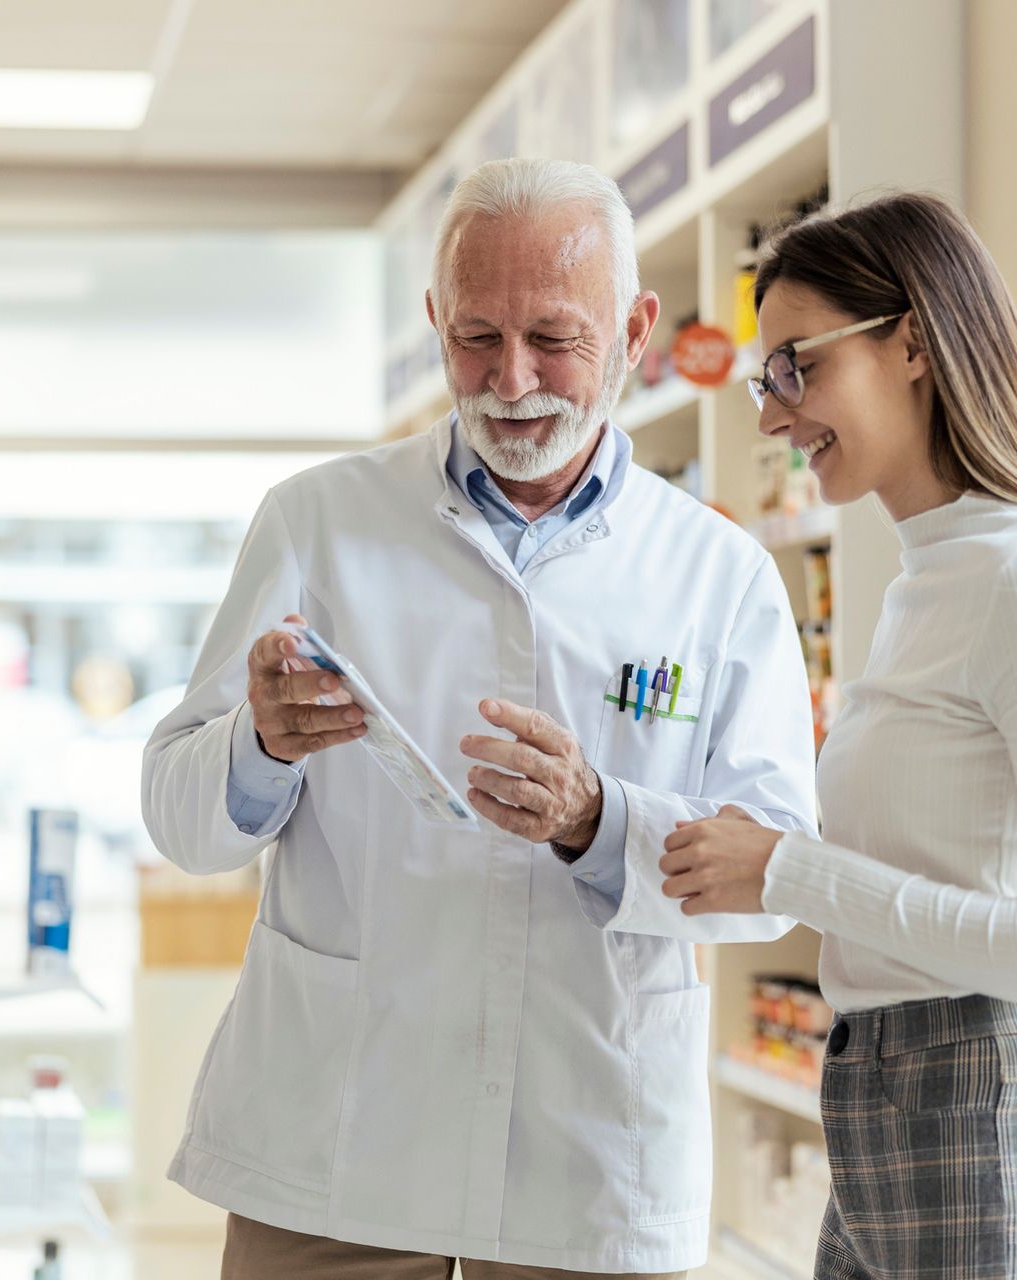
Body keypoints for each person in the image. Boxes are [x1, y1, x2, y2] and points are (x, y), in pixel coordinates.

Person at [142, 156, 818, 1278]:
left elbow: (773, 878)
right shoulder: (319, 521)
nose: (511, 379)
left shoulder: (721, 576)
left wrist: (603, 818)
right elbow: (181, 819)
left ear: (636, 327)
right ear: (433, 323)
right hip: (335, 1144)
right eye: (475, 336)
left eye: (554, 337)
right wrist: (256, 744)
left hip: (588, 1159)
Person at [659, 191, 1017, 1278]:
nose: (772, 414)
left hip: (992, 1134)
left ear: (913, 340)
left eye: (796, 365)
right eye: (764, 379)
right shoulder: (930, 577)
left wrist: (792, 869)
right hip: (884, 1119)